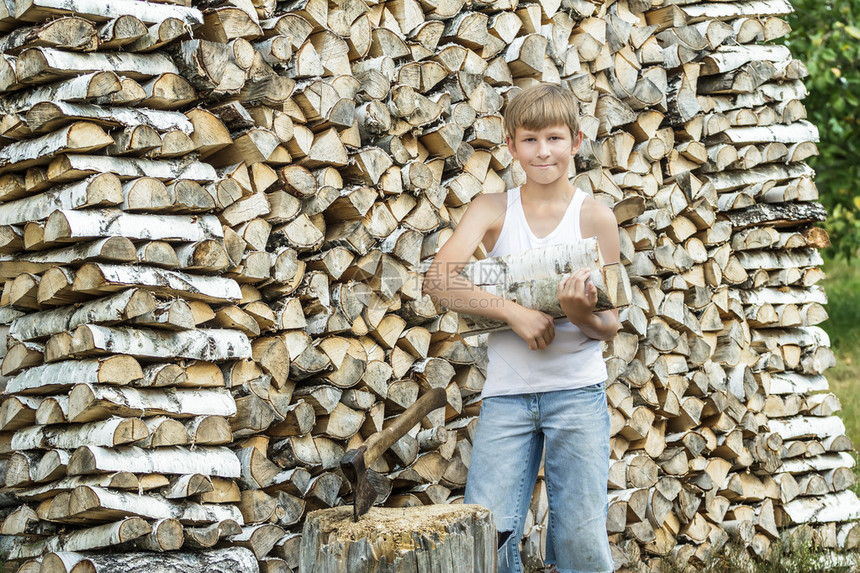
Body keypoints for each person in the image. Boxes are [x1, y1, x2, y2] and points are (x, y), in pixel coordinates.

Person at [423, 83, 621, 573]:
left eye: (554, 138)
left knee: (580, 534)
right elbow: (439, 279)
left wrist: (576, 314)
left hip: (577, 393)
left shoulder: (595, 216)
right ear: (511, 145)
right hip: (507, 395)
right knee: (486, 531)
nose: (543, 151)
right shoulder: (492, 209)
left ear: (576, 141)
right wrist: (515, 313)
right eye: (529, 140)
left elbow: (610, 324)